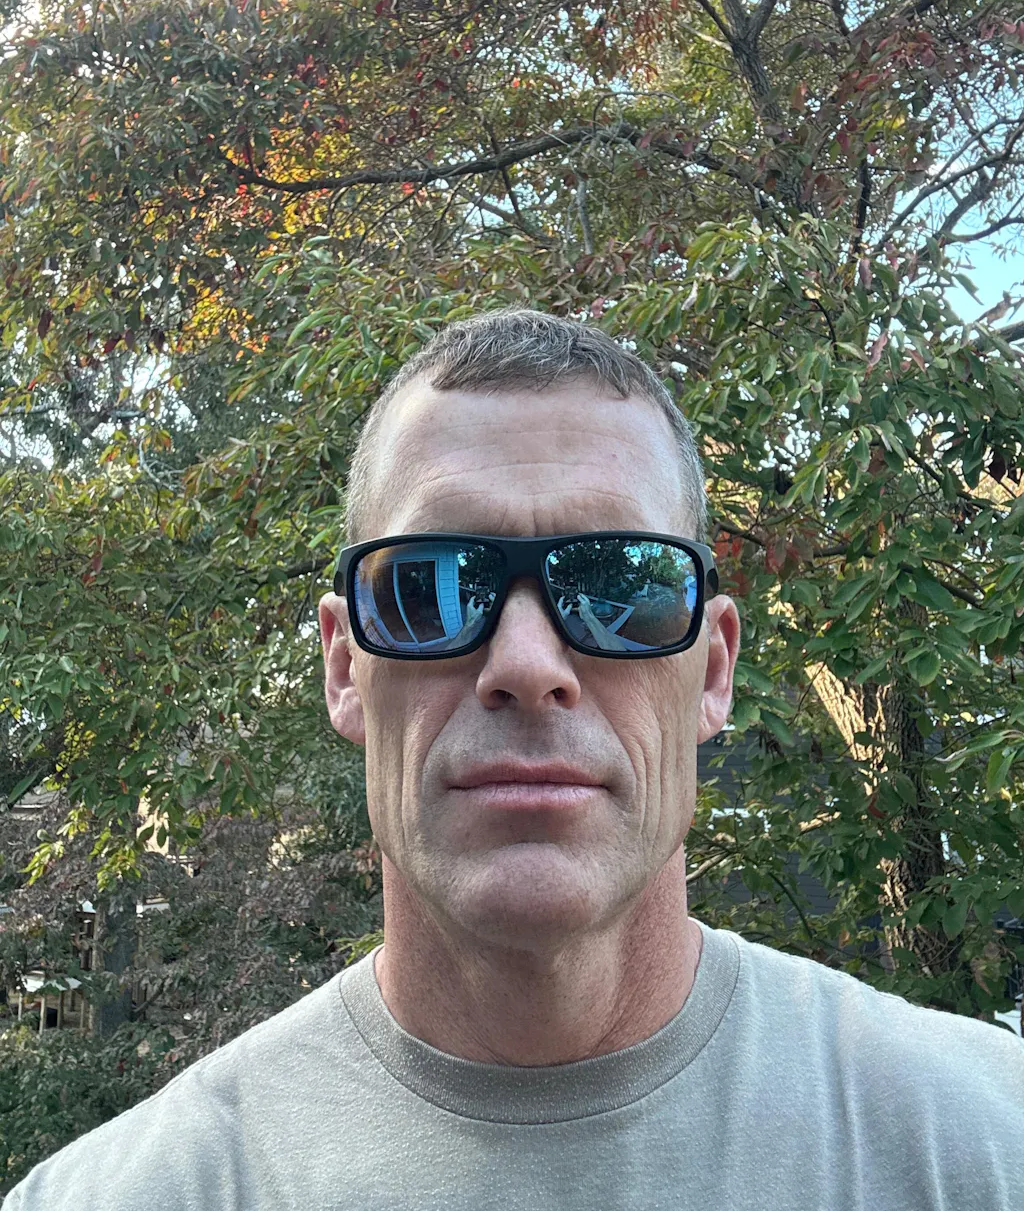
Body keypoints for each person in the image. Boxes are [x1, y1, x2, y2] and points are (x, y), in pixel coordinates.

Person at [6, 308, 1022, 1210]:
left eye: (622, 586)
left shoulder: (984, 1151)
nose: (528, 666)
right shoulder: (130, 1194)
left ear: (713, 669)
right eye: (428, 587)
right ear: (345, 668)